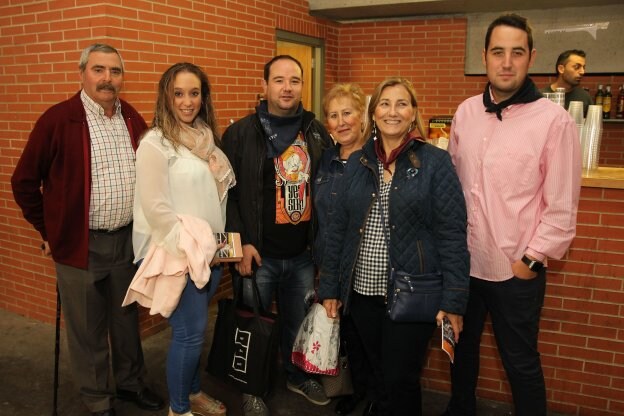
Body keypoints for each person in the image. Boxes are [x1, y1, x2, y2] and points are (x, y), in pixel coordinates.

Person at [11, 44, 164, 416]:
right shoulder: (58, 119)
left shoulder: (130, 116)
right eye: (99, 70)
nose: (107, 79)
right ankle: (97, 399)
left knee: (126, 321)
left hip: (126, 241)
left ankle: (129, 384)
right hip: (80, 246)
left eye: (114, 71)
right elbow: (24, 181)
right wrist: (50, 230)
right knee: (88, 330)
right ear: (82, 74)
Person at [443, 14, 581, 416]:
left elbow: (561, 208)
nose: (507, 62)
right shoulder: (466, 112)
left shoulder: (554, 121)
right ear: (484, 56)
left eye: (516, 53)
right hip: (463, 265)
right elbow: (453, 188)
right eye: (498, 52)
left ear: (531, 58)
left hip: (515, 270)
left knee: (520, 362)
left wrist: (531, 261)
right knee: (461, 354)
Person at [318, 77, 470, 416]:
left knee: (401, 379)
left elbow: (452, 233)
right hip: (362, 293)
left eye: (402, 104)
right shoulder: (359, 162)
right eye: (385, 104)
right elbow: (338, 229)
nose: (392, 111)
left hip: (412, 293)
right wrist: (330, 287)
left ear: (413, 112)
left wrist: (454, 300)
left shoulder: (434, 162)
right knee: (377, 375)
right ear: (373, 114)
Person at [222, 55, 333, 416]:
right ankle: (251, 387)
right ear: (264, 85)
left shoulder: (315, 131)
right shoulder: (240, 133)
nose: (288, 88)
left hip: (301, 255)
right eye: (280, 80)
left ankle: (295, 375)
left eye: (295, 81)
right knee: (251, 324)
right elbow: (228, 196)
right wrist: (239, 245)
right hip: (258, 254)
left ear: (303, 86)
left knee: (296, 324)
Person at [131, 62, 234, 416]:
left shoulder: (206, 138)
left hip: (211, 255)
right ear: (166, 97)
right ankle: (179, 410)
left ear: (204, 97)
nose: (187, 102)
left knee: (196, 332)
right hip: (180, 256)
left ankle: (191, 393)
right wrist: (190, 255)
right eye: (178, 93)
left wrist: (216, 249)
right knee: (189, 336)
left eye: (194, 93)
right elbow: (156, 211)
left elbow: (216, 201)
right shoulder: (155, 144)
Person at [313, 83, 370, 416]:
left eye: (347, 112)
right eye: (333, 116)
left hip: (363, 271)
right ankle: (355, 392)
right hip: (329, 266)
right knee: (345, 337)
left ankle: (372, 397)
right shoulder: (326, 161)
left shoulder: (375, 162)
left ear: (361, 115)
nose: (341, 121)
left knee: (367, 340)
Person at [541, 49, 592, 115]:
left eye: (583, 67)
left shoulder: (584, 97)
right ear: (561, 69)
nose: (582, 72)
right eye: (577, 67)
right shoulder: (541, 97)